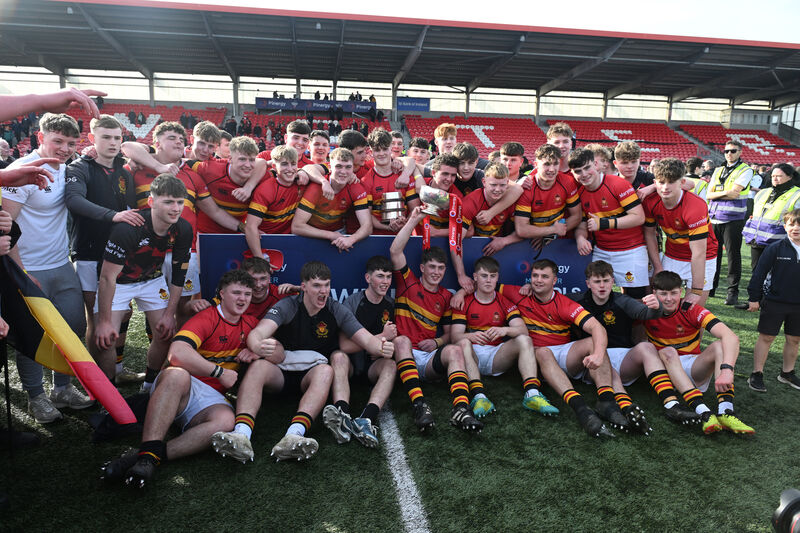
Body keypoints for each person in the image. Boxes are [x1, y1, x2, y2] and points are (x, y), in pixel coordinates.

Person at [211, 261, 394, 462]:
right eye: (317, 286)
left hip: (311, 376)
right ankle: (241, 434)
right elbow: (258, 333)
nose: (323, 291)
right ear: (304, 286)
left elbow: (366, 339)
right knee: (258, 366)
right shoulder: (289, 305)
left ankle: (294, 435)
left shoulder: (336, 309)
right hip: (280, 372)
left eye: (326, 285)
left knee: (325, 370)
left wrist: (382, 346)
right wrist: (257, 346)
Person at [100, 270, 260, 487]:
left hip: (209, 399)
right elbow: (177, 354)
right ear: (222, 293)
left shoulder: (251, 323)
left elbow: (278, 352)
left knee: (226, 421)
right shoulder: (208, 317)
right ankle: (148, 452)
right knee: (177, 374)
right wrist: (219, 372)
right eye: (237, 292)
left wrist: (258, 351)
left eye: (247, 294)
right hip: (180, 386)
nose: (242, 299)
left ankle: (146, 456)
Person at [3, 112, 93, 423]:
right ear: (40, 138)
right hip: (27, 267)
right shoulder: (21, 171)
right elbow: (6, 227)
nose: (65, 148)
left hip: (61, 262)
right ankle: (36, 397)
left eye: (71, 143)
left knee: (72, 327)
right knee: (33, 335)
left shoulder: (69, 167)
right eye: (58, 141)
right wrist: (22, 274)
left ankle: (62, 389)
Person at [498, 259, 624, 438]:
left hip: (563, 354)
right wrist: (462, 291)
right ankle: (581, 409)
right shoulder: (518, 293)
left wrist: (597, 354)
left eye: (544, 276)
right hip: (535, 360)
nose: (538, 280)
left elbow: (597, 328)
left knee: (592, 341)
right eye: (535, 276)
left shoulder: (564, 303)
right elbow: (483, 284)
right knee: (542, 351)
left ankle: (607, 402)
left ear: (555, 281)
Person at [571, 261, 700, 428]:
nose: (602, 286)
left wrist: (656, 307)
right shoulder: (576, 300)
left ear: (613, 282)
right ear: (588, 283)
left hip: (625, 360)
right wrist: (530, 289)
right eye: (597, 281)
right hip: (594, 363)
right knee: (605, 363)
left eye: (606, 280)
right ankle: (627, 407)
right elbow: (551, 300)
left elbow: (645, 313)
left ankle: (671, 404)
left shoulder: (622, 300)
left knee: (647, 347)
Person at [389, 207, 483, 433]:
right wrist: (413, 220)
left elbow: (451, 335)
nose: (436, 272)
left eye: (441, 268)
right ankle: (420, 405)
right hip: (405, 354)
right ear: (422, 268)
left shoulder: (446, 296)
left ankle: (461, 409)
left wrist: (438, 343)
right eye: (432, 267)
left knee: (455, 351)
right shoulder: (408, 282)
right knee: (400, 340)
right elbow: (395, 251)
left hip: (429, 358)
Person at [65, 114, 143, 384]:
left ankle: (117, 371)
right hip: (89, 254)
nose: (112, 143)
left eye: (116, 137)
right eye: (105, 137)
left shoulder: (124, 170)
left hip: (119, 255)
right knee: (97, 318)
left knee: (123, 313)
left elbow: (131, 207)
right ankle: (99, 384)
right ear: (91, 139)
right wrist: (114, 215)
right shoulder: (80, 167)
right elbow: (74, 201)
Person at [94, 175, 192, 388]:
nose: (175, 208)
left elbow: (178, 275)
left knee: (165, 333)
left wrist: (169, 315)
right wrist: (102, 321)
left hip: (151, 280)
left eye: (179, 202)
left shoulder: (183, 228)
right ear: (151, 202)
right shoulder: (129, 228)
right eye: (168, 202)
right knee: (105, 340)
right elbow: (107, 277)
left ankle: (149, 387)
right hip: (117, 283)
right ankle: (109, 400)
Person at [646, 271, 754, 435]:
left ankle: (726, 410)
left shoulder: (691, 310)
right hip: (664, 372)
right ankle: (703, 412)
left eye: (674, 293)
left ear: (681, 292)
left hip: (693, 368)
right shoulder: (645, 310)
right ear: (654, 293)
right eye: (663, 294)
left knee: (720, 345)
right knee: (668, 351)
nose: (669, 298)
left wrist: (727, 369)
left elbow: (730, 337)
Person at [450, 256, 558, 419]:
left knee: (524, 339)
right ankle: (479, 397)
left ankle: (532, 394)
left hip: (497, 357)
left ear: (497, 278)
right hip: (473, 357)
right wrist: (471, 336)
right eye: (484, 276)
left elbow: (523, 330)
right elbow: (454, 337)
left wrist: (504, 331)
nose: (488, 280)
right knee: (463, 342)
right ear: (475, 277)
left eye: (493, 276)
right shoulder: (464, 301)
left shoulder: (504, 301)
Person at [323, 256, 398, 447]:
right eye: (380, 276)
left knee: (391, 365)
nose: (385, 282)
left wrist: (383, 348)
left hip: (373, 366)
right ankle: (342, 414)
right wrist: (380, 338)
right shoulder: (352, 302)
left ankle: (367, 419)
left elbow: (392, 341)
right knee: (337, 356)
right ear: (368, 278)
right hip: (351, 365)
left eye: (388, 277)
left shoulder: (390, 304)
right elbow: (344, 345)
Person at [568, 148, 649, 298]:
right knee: (598, 297)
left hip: (631, 250)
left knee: (636, 299)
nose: (584, 174)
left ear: (596, 165)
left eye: (587, 168)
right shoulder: (579, 193)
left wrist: (604, 223)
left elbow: (638, 217)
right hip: (602, 251)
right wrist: (580, 238)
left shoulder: (618, 184)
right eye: (578, 171)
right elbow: (582, 223)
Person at [642, 158, 717, 307]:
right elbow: (649, 234)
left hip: (704, 257)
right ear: (655, 182)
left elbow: (698, 253)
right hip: (673, 254)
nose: (665, 187)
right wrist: (658, 267)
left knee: (693, 312)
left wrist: (696, 291)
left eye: (671, 182)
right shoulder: (651, 201)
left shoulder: (695, 205)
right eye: (661, 182)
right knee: (662, 306)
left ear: (682, 183)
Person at [746, 208, 800, 392]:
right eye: (792, 224)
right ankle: (757, 373)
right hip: (775, 301)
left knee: (794, 339)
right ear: (785, 226)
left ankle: (787, 373)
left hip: (798, 305)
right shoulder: (775, 248)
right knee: (767, 337)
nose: (796, 228)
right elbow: (759, 274)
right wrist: (754, 298)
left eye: (799, 224)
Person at [291, 147, 372, 251]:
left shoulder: (356, 188)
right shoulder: (316, 188)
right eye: (338, 166)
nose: (343, 171)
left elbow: (367, 226)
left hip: (338, 232)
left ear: (353, 169)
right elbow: (297, 227)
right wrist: (330, 235)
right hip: (312, 232)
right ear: (329, 167)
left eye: (348, 167)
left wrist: (351, 239)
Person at [707, 140, 753, 305]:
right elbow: (708, 194)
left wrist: (719, 193)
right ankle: (711, 287)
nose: (729, 154)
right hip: (714, 217)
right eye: (726, 151)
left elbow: (735, 194)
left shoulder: (746, 170)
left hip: (733, 219)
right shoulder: (719, 169)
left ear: (740, 152)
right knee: (713, 254)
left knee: (733, 255)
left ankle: (732, 292)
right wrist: (726, 192)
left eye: (733, 151)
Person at [513, 144, 581, 247]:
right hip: (528, 242)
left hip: (557, 240)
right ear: (536, 164)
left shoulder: (567, 181)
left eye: (555, 164)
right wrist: (552, 230)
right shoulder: (527, 187)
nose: (552, 169)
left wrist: (550, 235)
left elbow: (577, 216)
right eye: (547, 164)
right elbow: (522, 229)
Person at [244, 146, 306, 257]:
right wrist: (259, 259)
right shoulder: (265, 189)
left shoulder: (303, 182)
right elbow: (251, 226)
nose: (290, 169)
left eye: (293, 164)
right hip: (266, 241)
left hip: (293, 241)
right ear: (274, 166)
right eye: (284, 164)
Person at [741, 163, 800, 275]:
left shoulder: (797, 195)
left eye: (779, 176)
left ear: (790, 177)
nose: (775, 179)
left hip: (779, 243)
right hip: (757, 241)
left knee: (776, 276)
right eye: (773, 176)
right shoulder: (763, 192)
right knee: (757, 274)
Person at [359, 128, 420, 235]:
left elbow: (414, 208)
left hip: (404, 234)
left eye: (385, 149)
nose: (381, 153)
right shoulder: (366, 181)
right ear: (371, 151)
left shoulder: (405, 176)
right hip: (377, 236)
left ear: (391, 149)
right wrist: (388, 228)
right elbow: (367, 216)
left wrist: (404, 224)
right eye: (377, 150)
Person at [460, 162, 521, 256]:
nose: (497, 189)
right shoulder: (470, 202)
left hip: (500, 250)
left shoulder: (512, 201)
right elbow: (457, 240)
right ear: (484, 182)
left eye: (502, 185)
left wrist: (504, 241)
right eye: (493, 185)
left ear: (508, 183)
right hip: (472, 248)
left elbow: (524, 230)